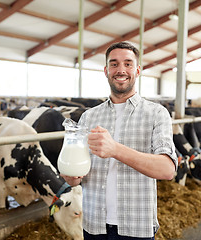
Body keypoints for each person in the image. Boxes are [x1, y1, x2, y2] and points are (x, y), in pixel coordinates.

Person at [62, 41, 177, 239]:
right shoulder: (89, 117)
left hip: (136, 225)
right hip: (94, 224)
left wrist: (115, 149)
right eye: (114, 64)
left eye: (128, 64)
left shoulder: (157, 114)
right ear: (106, 71)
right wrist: (72, 176)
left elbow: (167, 170)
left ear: (138, 70)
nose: (120, 70)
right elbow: (77, 175)